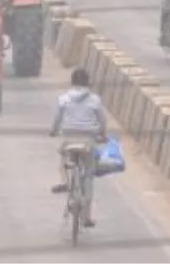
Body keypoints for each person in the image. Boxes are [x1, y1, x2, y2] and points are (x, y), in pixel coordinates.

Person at [48, 67, 107, 229]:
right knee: (88, 174)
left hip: (69, 137)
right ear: (88, 83)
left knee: (62, 157)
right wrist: (103, 135)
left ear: (72, 82)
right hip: (88, 140)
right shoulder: (95, 100)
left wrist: (53, 131)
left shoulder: (64, 98)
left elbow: (57, 119)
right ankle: (86, 217)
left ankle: (65, 182)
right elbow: (102, 120)